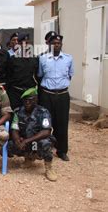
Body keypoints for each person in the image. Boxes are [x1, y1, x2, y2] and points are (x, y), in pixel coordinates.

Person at [38, 34, 73, 162]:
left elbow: (70, 75)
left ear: (61, 45)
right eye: (54, 43)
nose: (56, 45)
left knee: (62, 124)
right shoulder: (43, 59)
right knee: (45, 123)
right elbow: (40, 75)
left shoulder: (68, 59)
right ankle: (44, 148)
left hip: (63, 95)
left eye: (58, 43)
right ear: (49, 44)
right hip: (47, 94)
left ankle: (61, 150)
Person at [10, 87, 57, 181]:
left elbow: (46, 131)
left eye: (30, 100)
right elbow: (14, 128)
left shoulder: (43, 112)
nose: (27, 102)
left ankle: (49, 168)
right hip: (26, 141)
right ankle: (28, 159)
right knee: (10, 145)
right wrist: (17, 140)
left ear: (36, 99)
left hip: (37, 142)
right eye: (25, 100)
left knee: (45, 143)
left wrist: (27, 141)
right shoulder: (18, 111)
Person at [6, 33, 39, 110]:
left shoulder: (35, 59)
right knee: (16, 115)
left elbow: (38, 76)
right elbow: (8, 76)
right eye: (22, 43)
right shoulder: (12, 59)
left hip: (30, 93)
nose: (25, 45)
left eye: (27, 43)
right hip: (16, 93)